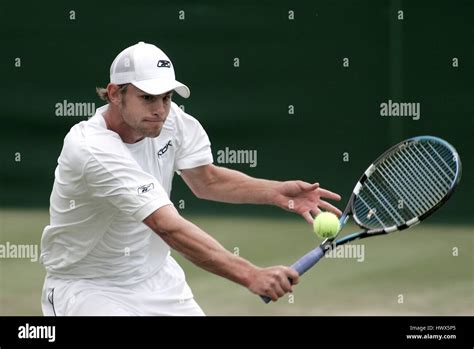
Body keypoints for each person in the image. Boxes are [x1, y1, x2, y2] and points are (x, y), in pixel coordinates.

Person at [40, 41, 342, 316]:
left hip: (157, 280)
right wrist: (251, 274)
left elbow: (206, 180)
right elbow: (167, 227)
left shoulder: (170, 121)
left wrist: (275, 191)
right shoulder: (92, 149)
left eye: (166, 98)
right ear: (116, 93)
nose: (160, 110)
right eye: (147, 97)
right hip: (89, 289)